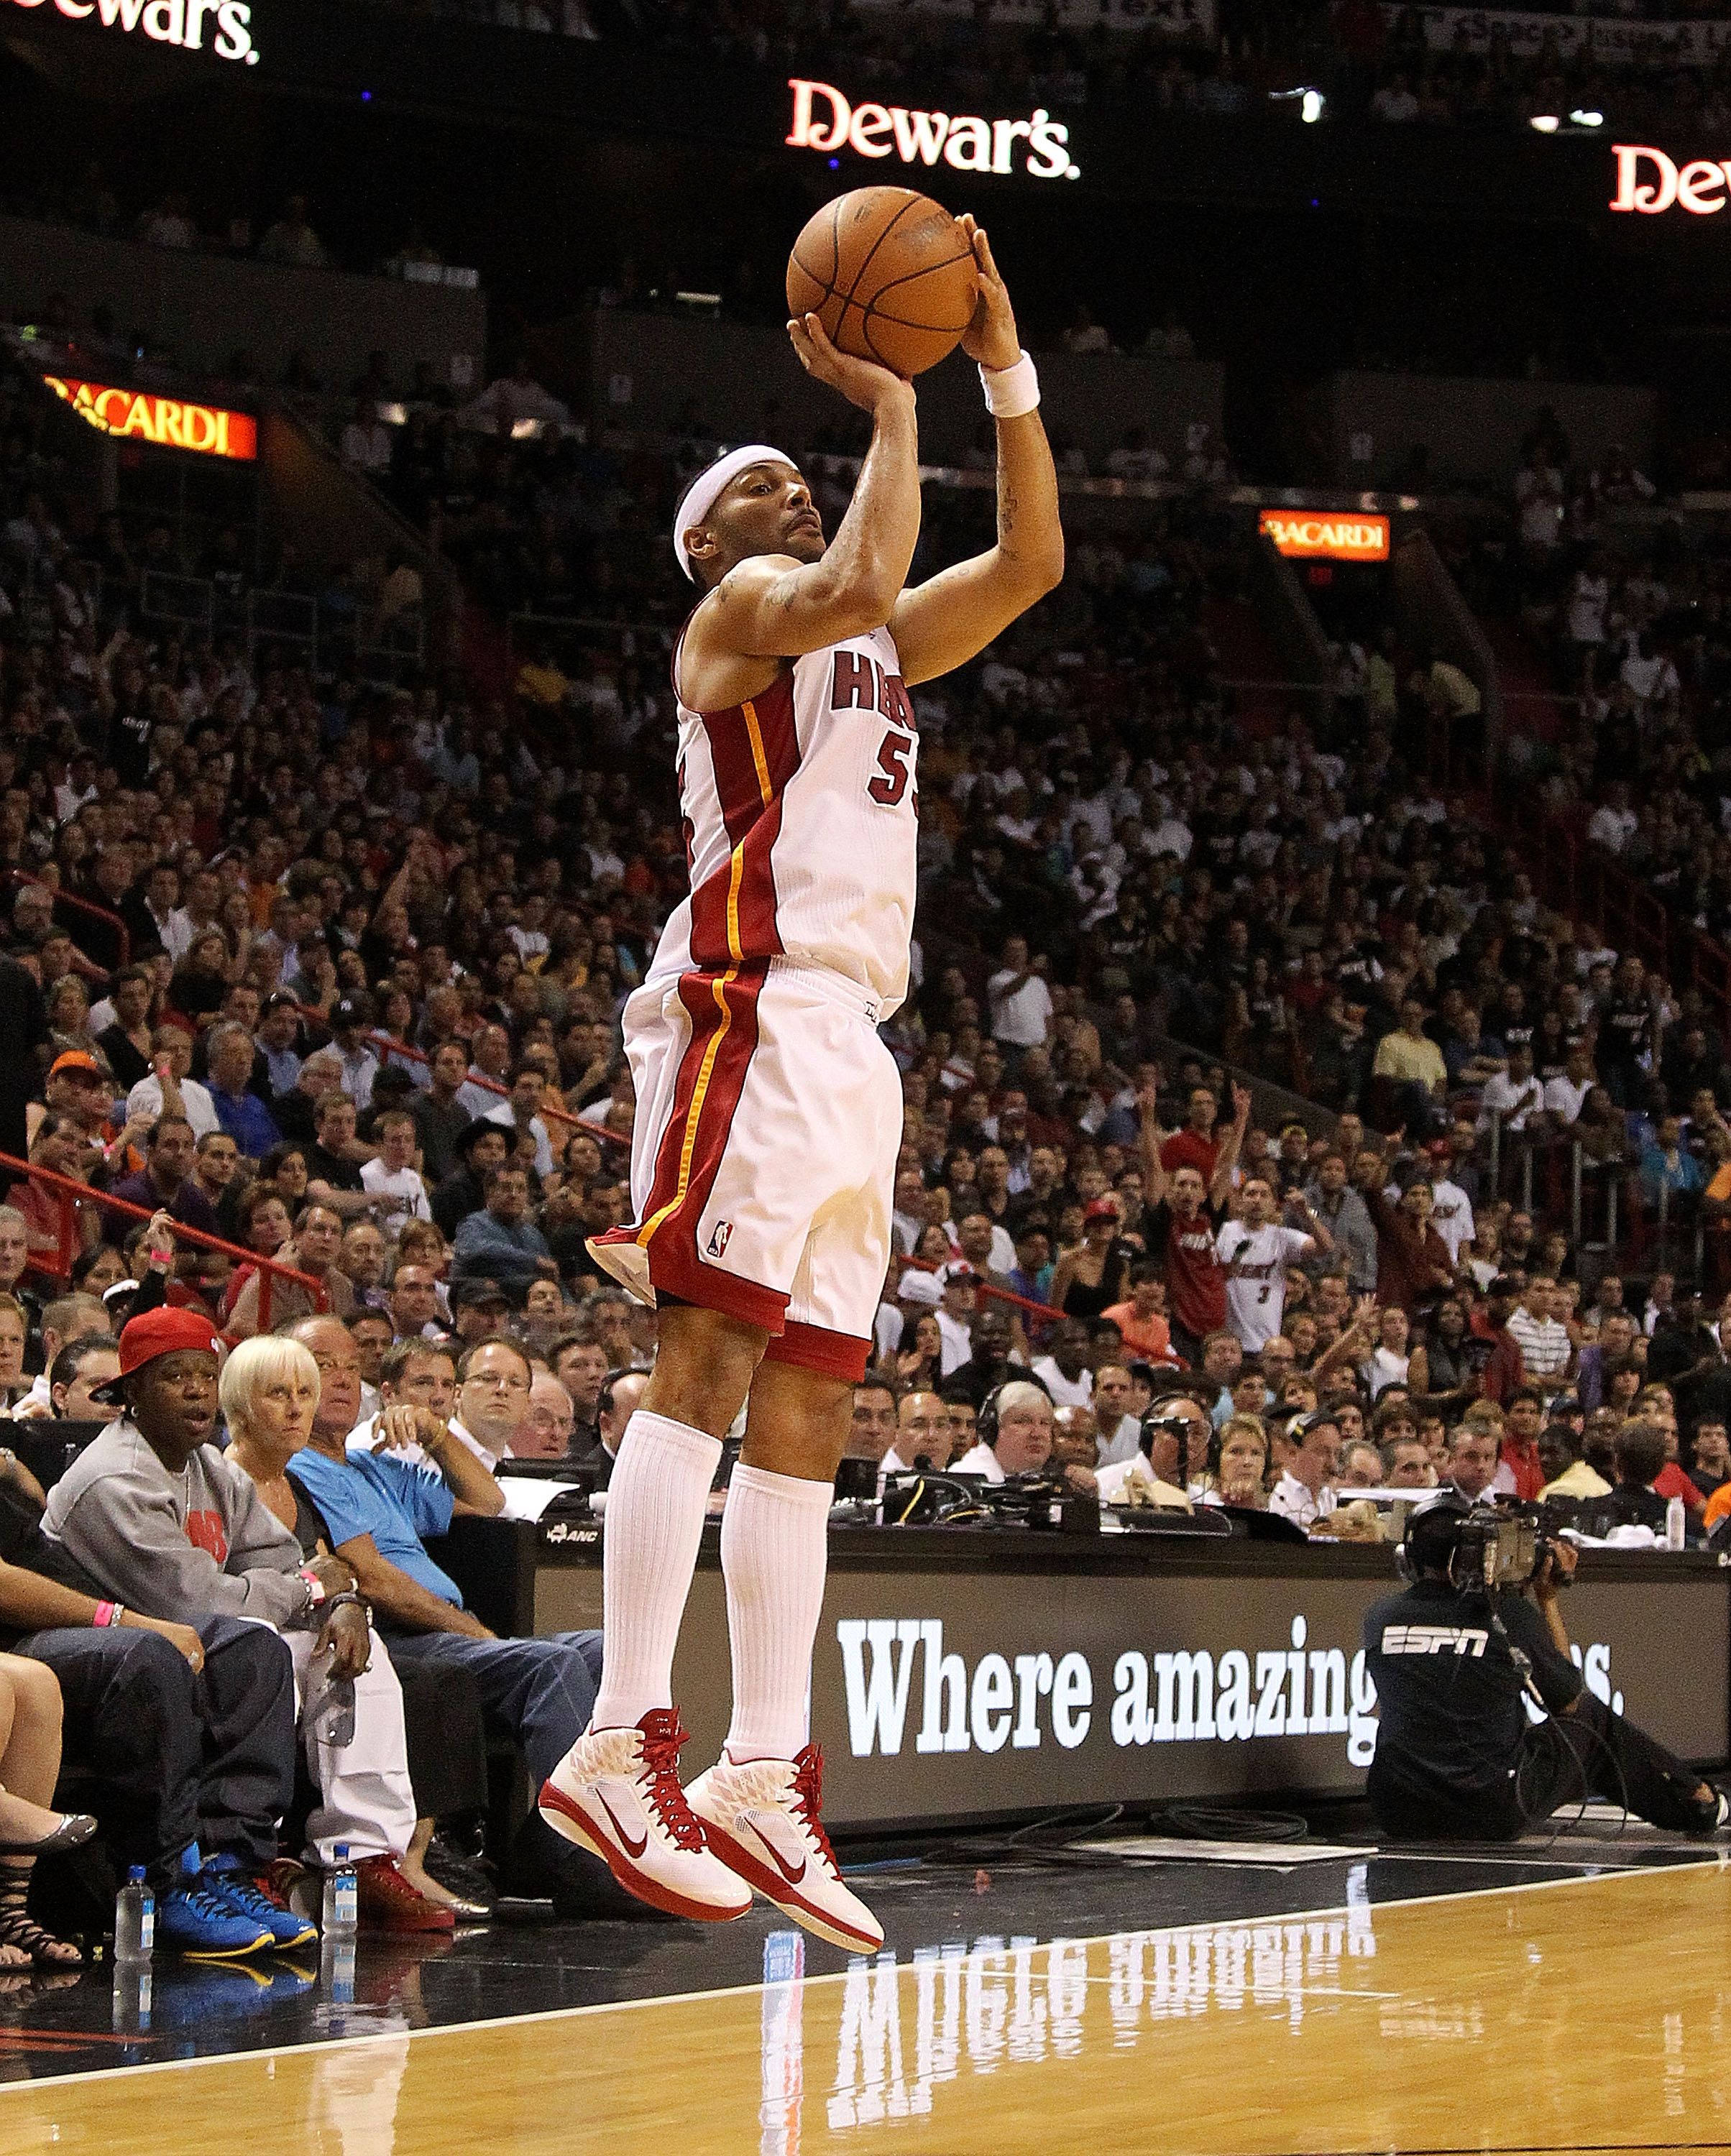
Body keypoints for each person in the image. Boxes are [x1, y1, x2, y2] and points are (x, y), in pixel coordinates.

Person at [543, 216, 1062, 1948]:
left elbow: (1034, 561)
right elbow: (849, 573)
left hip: (853, 1037)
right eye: (760, 480)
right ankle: (620, 1735)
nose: (787, 488)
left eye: (796, 471)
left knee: (818, 1400)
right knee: (703, 1354)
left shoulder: (879, 643)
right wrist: (883, 398)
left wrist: (997, 365)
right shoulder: (745, 614)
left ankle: (767, 1762)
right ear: (709, 539)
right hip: (746, 1006)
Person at [39, 1307, 433, 1938]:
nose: (198, 1390)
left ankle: (359, 1855)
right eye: (175, 1378)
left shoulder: (212, 1469)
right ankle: (224, 1864)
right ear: (132, 1393)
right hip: (99, 1644)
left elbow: (282, 1560)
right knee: (254, 1642)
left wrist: (343, 1604)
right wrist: (311, 1587)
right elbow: (197, 1601)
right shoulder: (114, 1478)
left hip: (188, 1637)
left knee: (351, 1650)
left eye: (205, 1375)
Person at [276, 1317, 615, 1916]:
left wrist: (435, 1434)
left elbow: (488, 1499)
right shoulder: (302, 1468)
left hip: (448, 1630)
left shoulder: (372, 1466)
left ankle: (562, 1835)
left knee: (609, 1650)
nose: (341, 1379)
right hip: (401, 1638)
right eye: (322, 1365)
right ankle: (584, 1863)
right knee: (554, 1665)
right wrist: (475, 1632)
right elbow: (378, 1584)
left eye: (352, 1367)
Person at [1364, 1497, 1728, 1840]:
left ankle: (1694, 1796)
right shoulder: (1507, 1616)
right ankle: (1698, 1802)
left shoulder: (1380, 1617)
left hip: (1397, 1811)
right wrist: (1548, 1600)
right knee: (1593, 1721)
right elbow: (1568, 1702)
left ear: (1408, 1556)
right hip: (1490, 1811)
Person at [952, 1380, 1055, 1481]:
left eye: (1044, 1423)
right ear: (992, 1431)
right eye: (1023, 1422)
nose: (1037, 1434)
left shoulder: (1049, 1480)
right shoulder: (971, 1478)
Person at [1268, 1409, 1341, 1528]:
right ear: (1293, 1453)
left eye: (1336, 1454)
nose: (1332, 1463)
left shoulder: (1329, 1496)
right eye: (1322, 1452)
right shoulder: (1274, 1494)